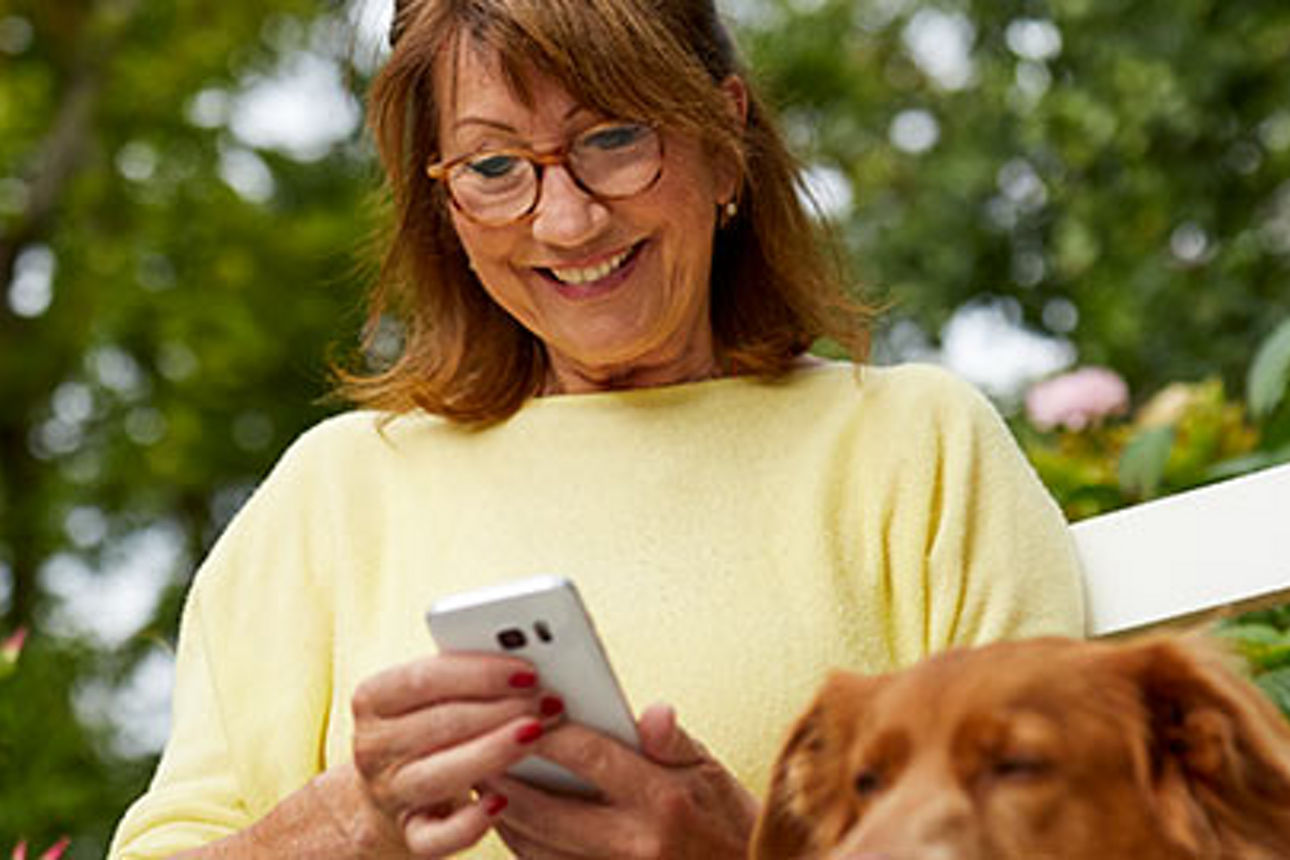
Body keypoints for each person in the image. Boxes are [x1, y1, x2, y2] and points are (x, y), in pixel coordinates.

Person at [110, 0, 1086, 856]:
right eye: (495, 165)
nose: (567, 221)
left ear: (724, 136)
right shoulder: (332, 491)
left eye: (615, 138)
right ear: (444, 199)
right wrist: (343, 828)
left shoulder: (911, 445)